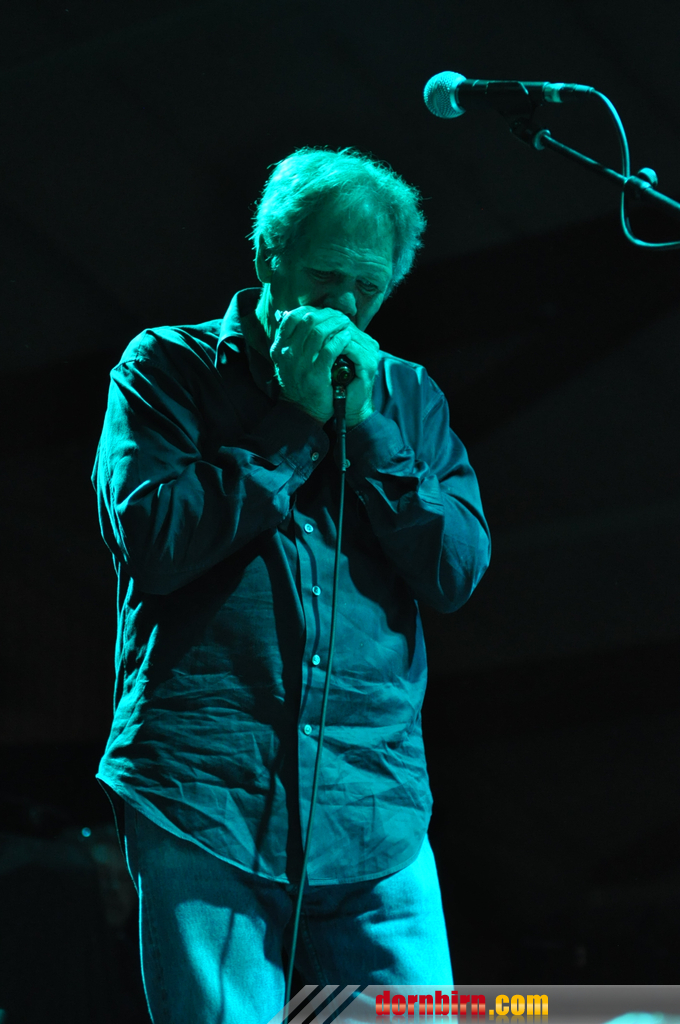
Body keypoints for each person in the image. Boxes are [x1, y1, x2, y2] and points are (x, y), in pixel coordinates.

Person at [92, 145, 491, 1024]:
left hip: (373, 796)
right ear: (269, 252)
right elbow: (155, 541)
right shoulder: (166, 369)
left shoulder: (409, 397)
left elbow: (457, 569)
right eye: (325, 277)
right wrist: (296, 423)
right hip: (205, 788)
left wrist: (368, 429)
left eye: (368, 288)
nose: (345, 306)